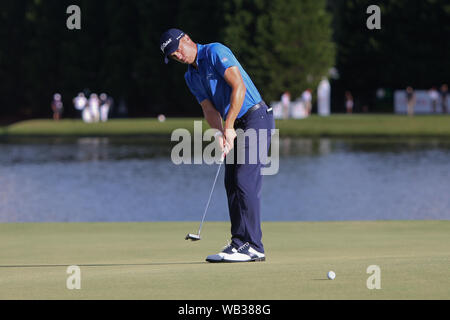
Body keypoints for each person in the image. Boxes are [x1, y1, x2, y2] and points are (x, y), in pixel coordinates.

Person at [160, 28, 275, 263]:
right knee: (231, 183)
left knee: (244, 179)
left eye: (178, 50)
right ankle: (239, 243)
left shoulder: (215, 52)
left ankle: (254, 246)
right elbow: (208, 109)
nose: (178, 56)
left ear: (188, 39)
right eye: (173, 56)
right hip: (236, 123)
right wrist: (220, 134)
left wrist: (230, 125)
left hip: (255, 118)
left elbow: (239, 88)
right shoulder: (190, 77)